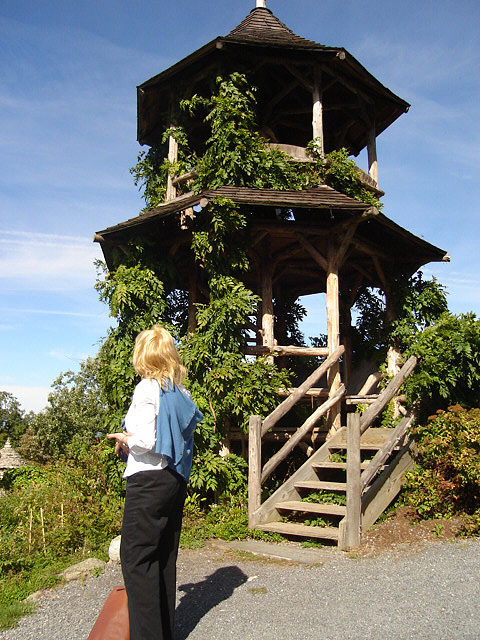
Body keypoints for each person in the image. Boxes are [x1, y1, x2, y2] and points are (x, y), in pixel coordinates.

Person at [107, 325, 203, 640]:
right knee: (163, 556)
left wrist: (123, 439)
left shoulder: (147, 389)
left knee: (136, 558)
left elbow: (146, 440)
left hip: (148, 480)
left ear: (142, 355)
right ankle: (163, 631)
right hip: (174, 480)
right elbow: (183, 440)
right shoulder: (182, 393)